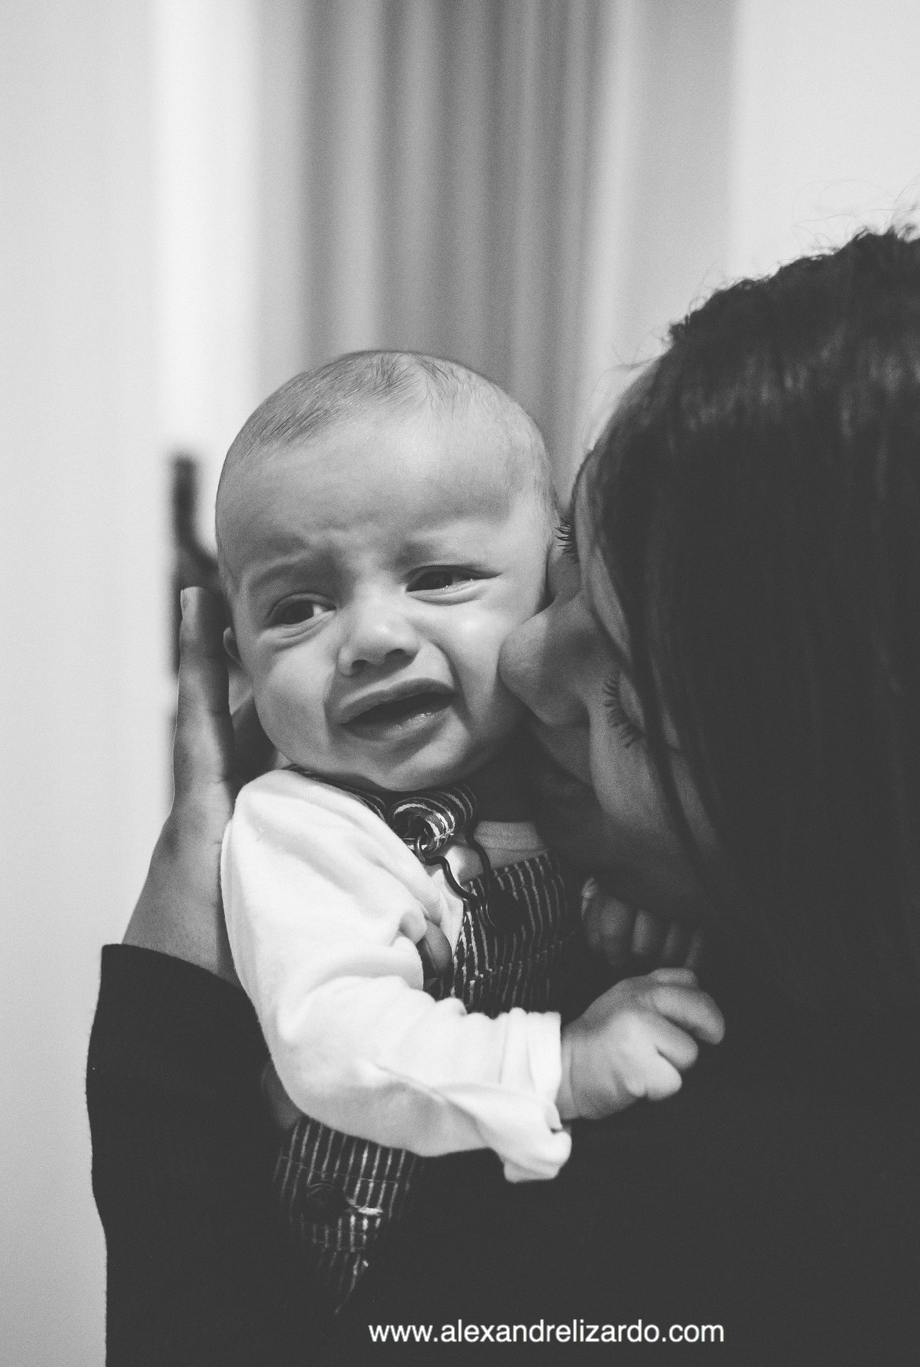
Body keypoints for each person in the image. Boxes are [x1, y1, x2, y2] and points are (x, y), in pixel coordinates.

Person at [90, 224, 920, 1362]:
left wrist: (165, 1033)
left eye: (616, 672)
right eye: (564, 578)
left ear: (845, 828)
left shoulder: (695, 1223)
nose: (527, 661)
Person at [211, 351, 722, 1307]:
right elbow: (336, 1037)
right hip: (362, 1285)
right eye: (298, 607)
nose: (369, 638)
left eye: (438, 575)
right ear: (238, 651)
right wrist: (557, 1066)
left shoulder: (554, 773)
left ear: (551, 581)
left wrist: (624, 926)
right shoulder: (300, 827)